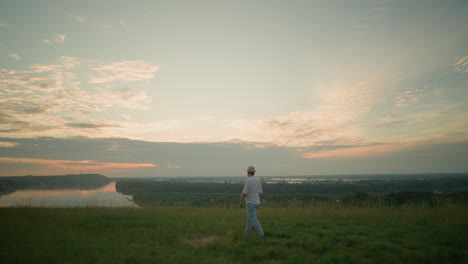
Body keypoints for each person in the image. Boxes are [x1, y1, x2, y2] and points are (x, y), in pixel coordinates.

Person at [239, 165, 265, 238]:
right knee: (250, 218)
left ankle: (261, 234)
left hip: (251, 202)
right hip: (257, 202)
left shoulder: (248, 180)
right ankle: (246, 233)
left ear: (248, 172)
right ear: (254, 172)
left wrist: (241, 201)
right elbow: (260, 192)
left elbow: (244, 192)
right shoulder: (258, 180)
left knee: (253, 219)